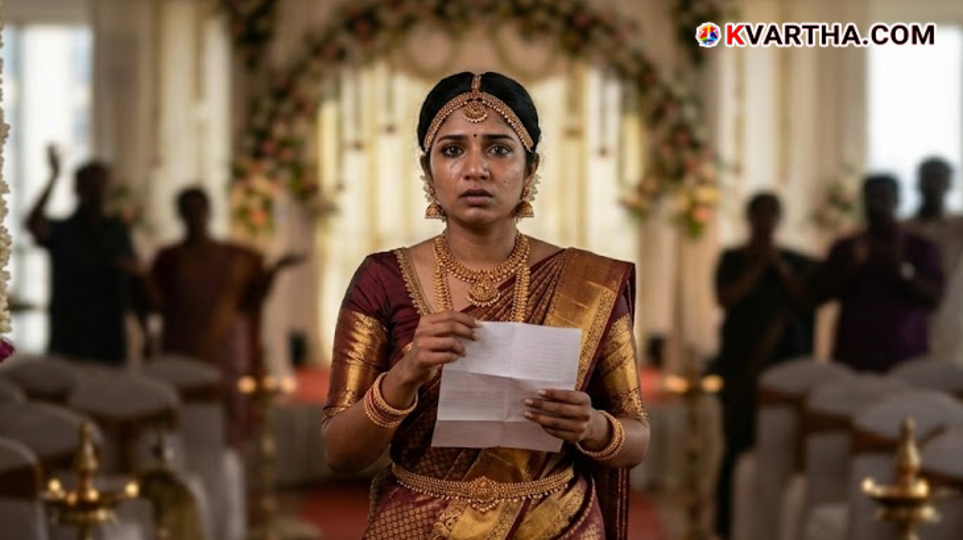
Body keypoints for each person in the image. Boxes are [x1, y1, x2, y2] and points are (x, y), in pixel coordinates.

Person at [322, 72, 650, 539]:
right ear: (427, 170)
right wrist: (405, 374)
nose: (476, 168)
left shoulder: (590, 283)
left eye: (499, 148)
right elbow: (339, 452)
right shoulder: (383, 279)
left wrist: (594, 427)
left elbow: (636, 437)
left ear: (531, 168)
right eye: (453, 150)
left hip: (555, 525)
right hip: (419, 527)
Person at [150, 186, 302, 445]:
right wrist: (141, 280)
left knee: (227, 414)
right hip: (183, 346)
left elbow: (252, 300)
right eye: (188, 211)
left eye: (199, 210)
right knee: (186, 415)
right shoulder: (169, 258)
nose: (194, 216)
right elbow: (157, 304)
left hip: (226, 350)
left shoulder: (236, 257)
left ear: (209, 212)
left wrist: (274, 272)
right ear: (180, 214)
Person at [710, 192, 816, 539]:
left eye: (772, 215)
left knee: (782, 448)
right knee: (736, 444)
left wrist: (780, 267)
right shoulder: (732, 259)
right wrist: (759, 267)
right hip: (741, 367)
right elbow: (727, 299)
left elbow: (806, 299)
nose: (765, 222)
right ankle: (727, 525)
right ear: (750, 219)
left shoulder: (796, 262)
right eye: (760, 215)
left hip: (785, 369)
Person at [25, 145, 148, 365]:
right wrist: (53, 177)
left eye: (99, 184)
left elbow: (134, 271)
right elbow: (33, 224)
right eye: (89, 185)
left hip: (107, 335)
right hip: (69, 334)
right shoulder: (63, 230)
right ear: (77, 189)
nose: (95, 191)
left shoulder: (117, 230)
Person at [813, 174, 944, 372]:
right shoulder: (845, 247)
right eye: (870, 198)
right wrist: (852, 267)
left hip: (905, 357)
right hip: (853, 357)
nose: (876, 206)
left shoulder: (921, 248)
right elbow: (820, 295)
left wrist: (900, 268)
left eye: (883, 198)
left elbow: (934, 299)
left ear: (898, 201)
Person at [903, 158, 963, 364]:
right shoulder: (902, 229)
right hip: (906, 325)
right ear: (917, 182)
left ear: (949, 184)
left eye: (939, 178)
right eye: (927, 177)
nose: (932, 184)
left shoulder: (958, 227)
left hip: (948, 323)